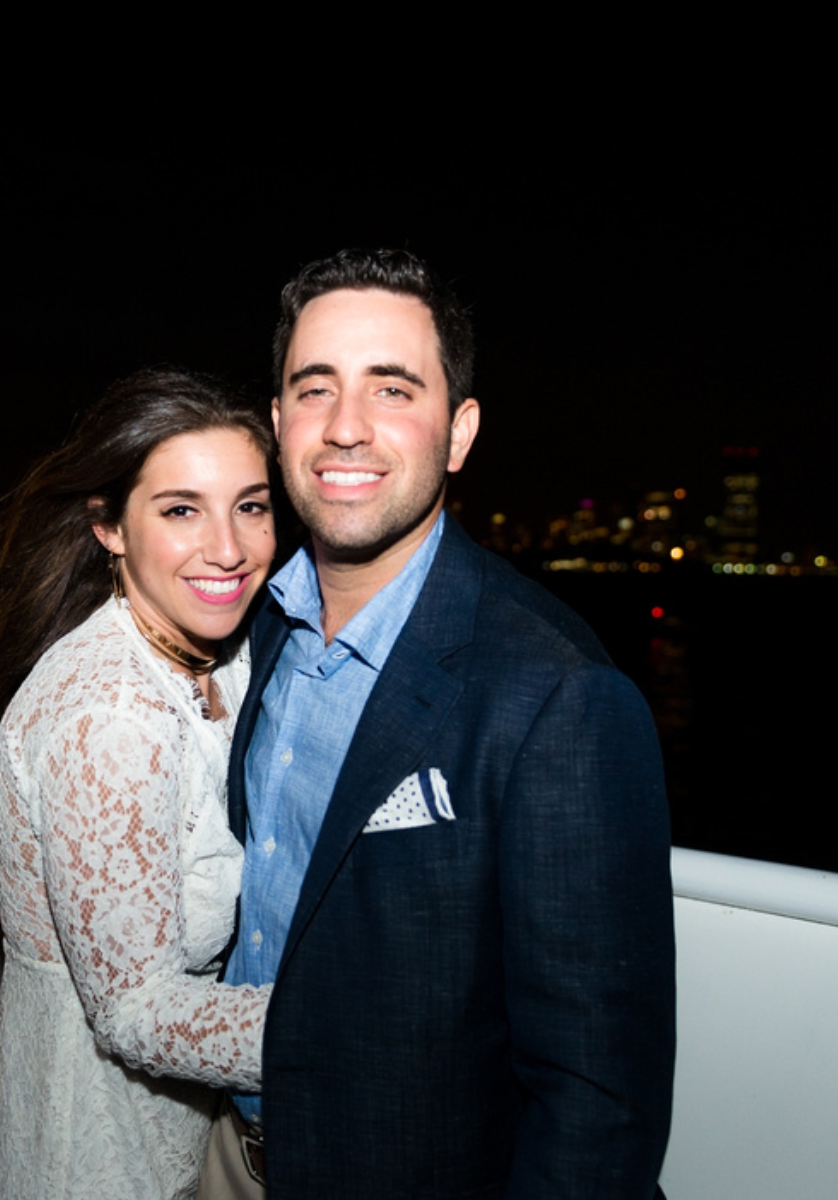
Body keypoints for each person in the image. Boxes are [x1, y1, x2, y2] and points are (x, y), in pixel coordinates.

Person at [202, 250, 676, 1198]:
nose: (345, 428)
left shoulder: (556, 694)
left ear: (458, 433)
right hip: (226, 1156)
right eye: (315, 388)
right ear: (277, 422)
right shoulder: (250, 629)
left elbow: (597, 1102)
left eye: (391, 388)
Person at [0, 368, 277, 1199]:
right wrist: (363, 1020)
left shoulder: (215, 658)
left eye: (251, 505)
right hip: (90, 1159)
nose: (228, 549)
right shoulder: (112, 715)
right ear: (110, 528)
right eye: (180, 510)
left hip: (173, 1136)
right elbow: (136, 1011)